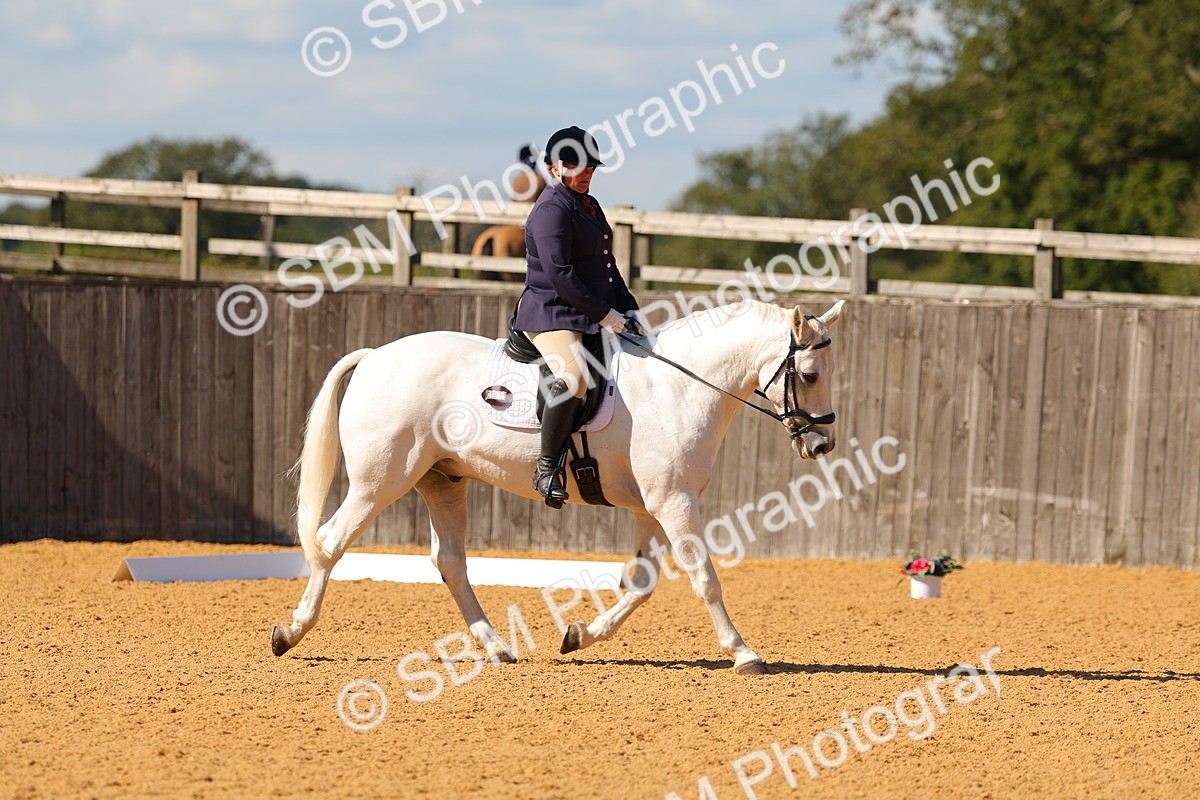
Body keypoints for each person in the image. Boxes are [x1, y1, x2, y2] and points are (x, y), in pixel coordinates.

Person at [513, 126, 640, 507]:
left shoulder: (590, 205)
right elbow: (560, 275)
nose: (584, 173)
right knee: (573, 378)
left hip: (586, 313)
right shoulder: (550, 210)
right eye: (574, 166)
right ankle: (547, 466)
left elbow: (606, 266)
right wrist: (606, 316)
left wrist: (629, 309)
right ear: (553, 168)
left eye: (589, 167)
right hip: (551, 314)